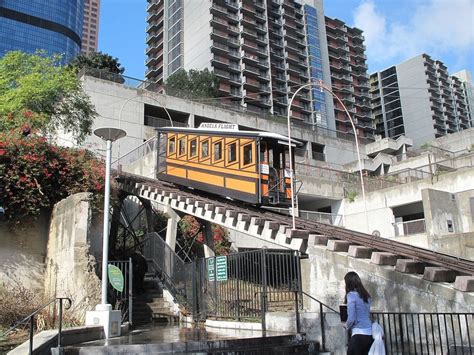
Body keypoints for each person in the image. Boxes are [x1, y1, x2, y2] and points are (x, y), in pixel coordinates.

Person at [344, 271, 373, 355]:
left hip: (358, 334)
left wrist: (346, 326)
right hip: (369, 333)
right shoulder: (366, 295)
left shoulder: (351, 295)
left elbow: (351, 317)